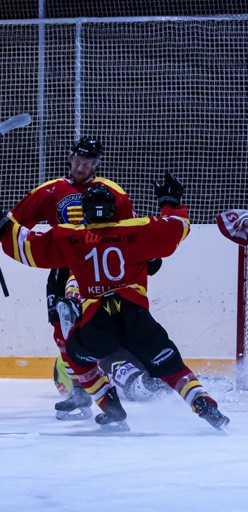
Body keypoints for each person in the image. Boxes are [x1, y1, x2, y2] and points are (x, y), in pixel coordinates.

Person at [0, 172, 230, 432]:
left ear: (83, 212)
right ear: (113, 211)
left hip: (97, 320)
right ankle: (204, 403)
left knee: (76, 356)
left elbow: (24, 248)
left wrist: (3, 225)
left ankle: (111, 408)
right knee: (171, 366)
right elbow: (178, 226)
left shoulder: (69, 237)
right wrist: (170, 200)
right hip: (136, 317)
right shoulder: (136, 230)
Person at [8, 136, 162, 420]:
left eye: (88, 162)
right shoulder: (50, 190)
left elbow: (130, 230)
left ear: (96, 163)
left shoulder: (111, 191)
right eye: (78, 160)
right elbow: (15, 222)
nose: (81, 166)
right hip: (63, 266)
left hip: (97, 268)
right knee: (61, 330)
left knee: (95, 329)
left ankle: (130, 381)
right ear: (70, 157)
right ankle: (79, 391)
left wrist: (146, 256)